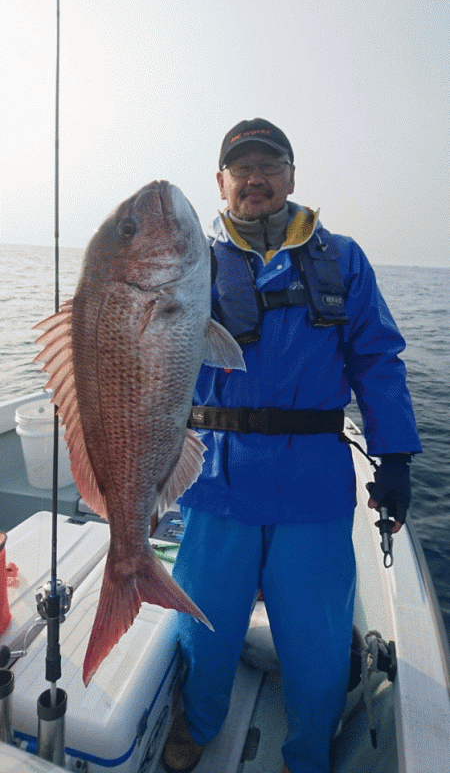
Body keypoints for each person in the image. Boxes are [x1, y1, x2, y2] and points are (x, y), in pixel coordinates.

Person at [161, 118, 422, 773]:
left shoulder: (343, 259)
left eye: (269, 164)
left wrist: (395, 458)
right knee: (205, 624)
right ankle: (198, 722)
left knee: (318, 641)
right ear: (220, 183)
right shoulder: (187, 265)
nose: (255, 178)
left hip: (315, 487)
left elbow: (379, 359)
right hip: (215, 483)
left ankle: (308, 754)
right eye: (240, 168)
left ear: (291, 176)